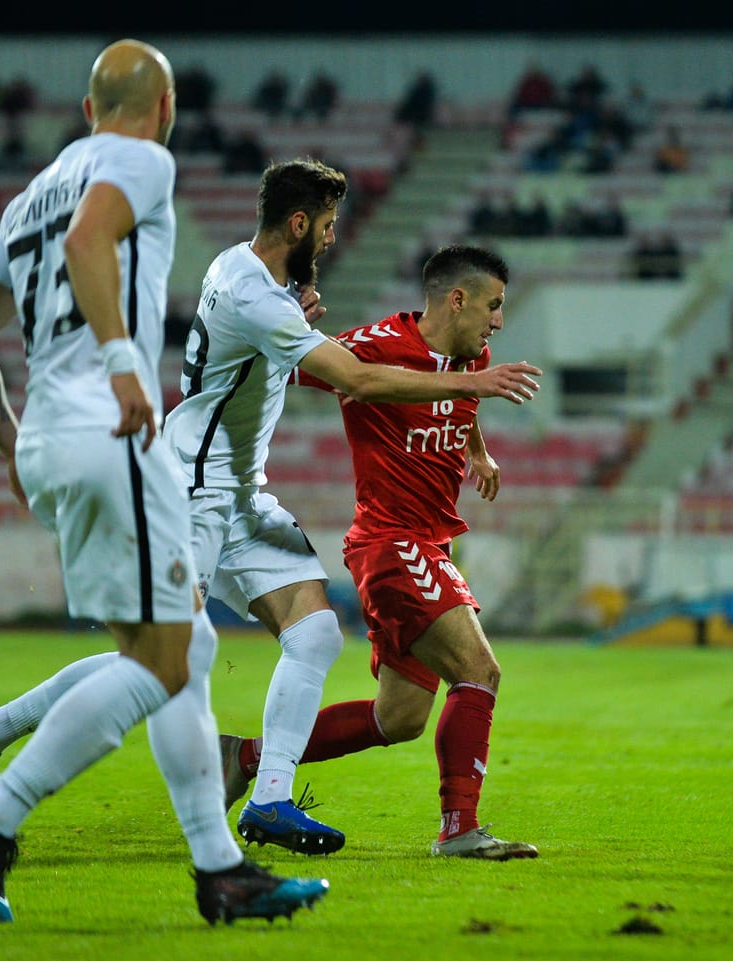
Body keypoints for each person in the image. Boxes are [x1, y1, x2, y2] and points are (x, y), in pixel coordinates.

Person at [0, 38, 327, 926]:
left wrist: (9, 442)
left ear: (85, 111)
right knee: (164, 660)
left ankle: (220, 869)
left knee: (176, 651)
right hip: (110, 433)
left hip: (52, 438)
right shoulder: (143, 159)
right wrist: (120, 363)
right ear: (165, 106)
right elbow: (89, 240)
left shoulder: (27, 197)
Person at [220, 244, 542, 861]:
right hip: (392, 543)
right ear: (458, 298)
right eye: (493, 305)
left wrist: (476, 451)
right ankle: (460, 830)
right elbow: (287, 365)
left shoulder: (472, 356)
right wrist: (281, 324)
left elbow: (457, 396)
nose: (499, 320)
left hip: (429, 540)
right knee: (480, 671)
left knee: (399, 718)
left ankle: (246, 757)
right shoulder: (371, 349)